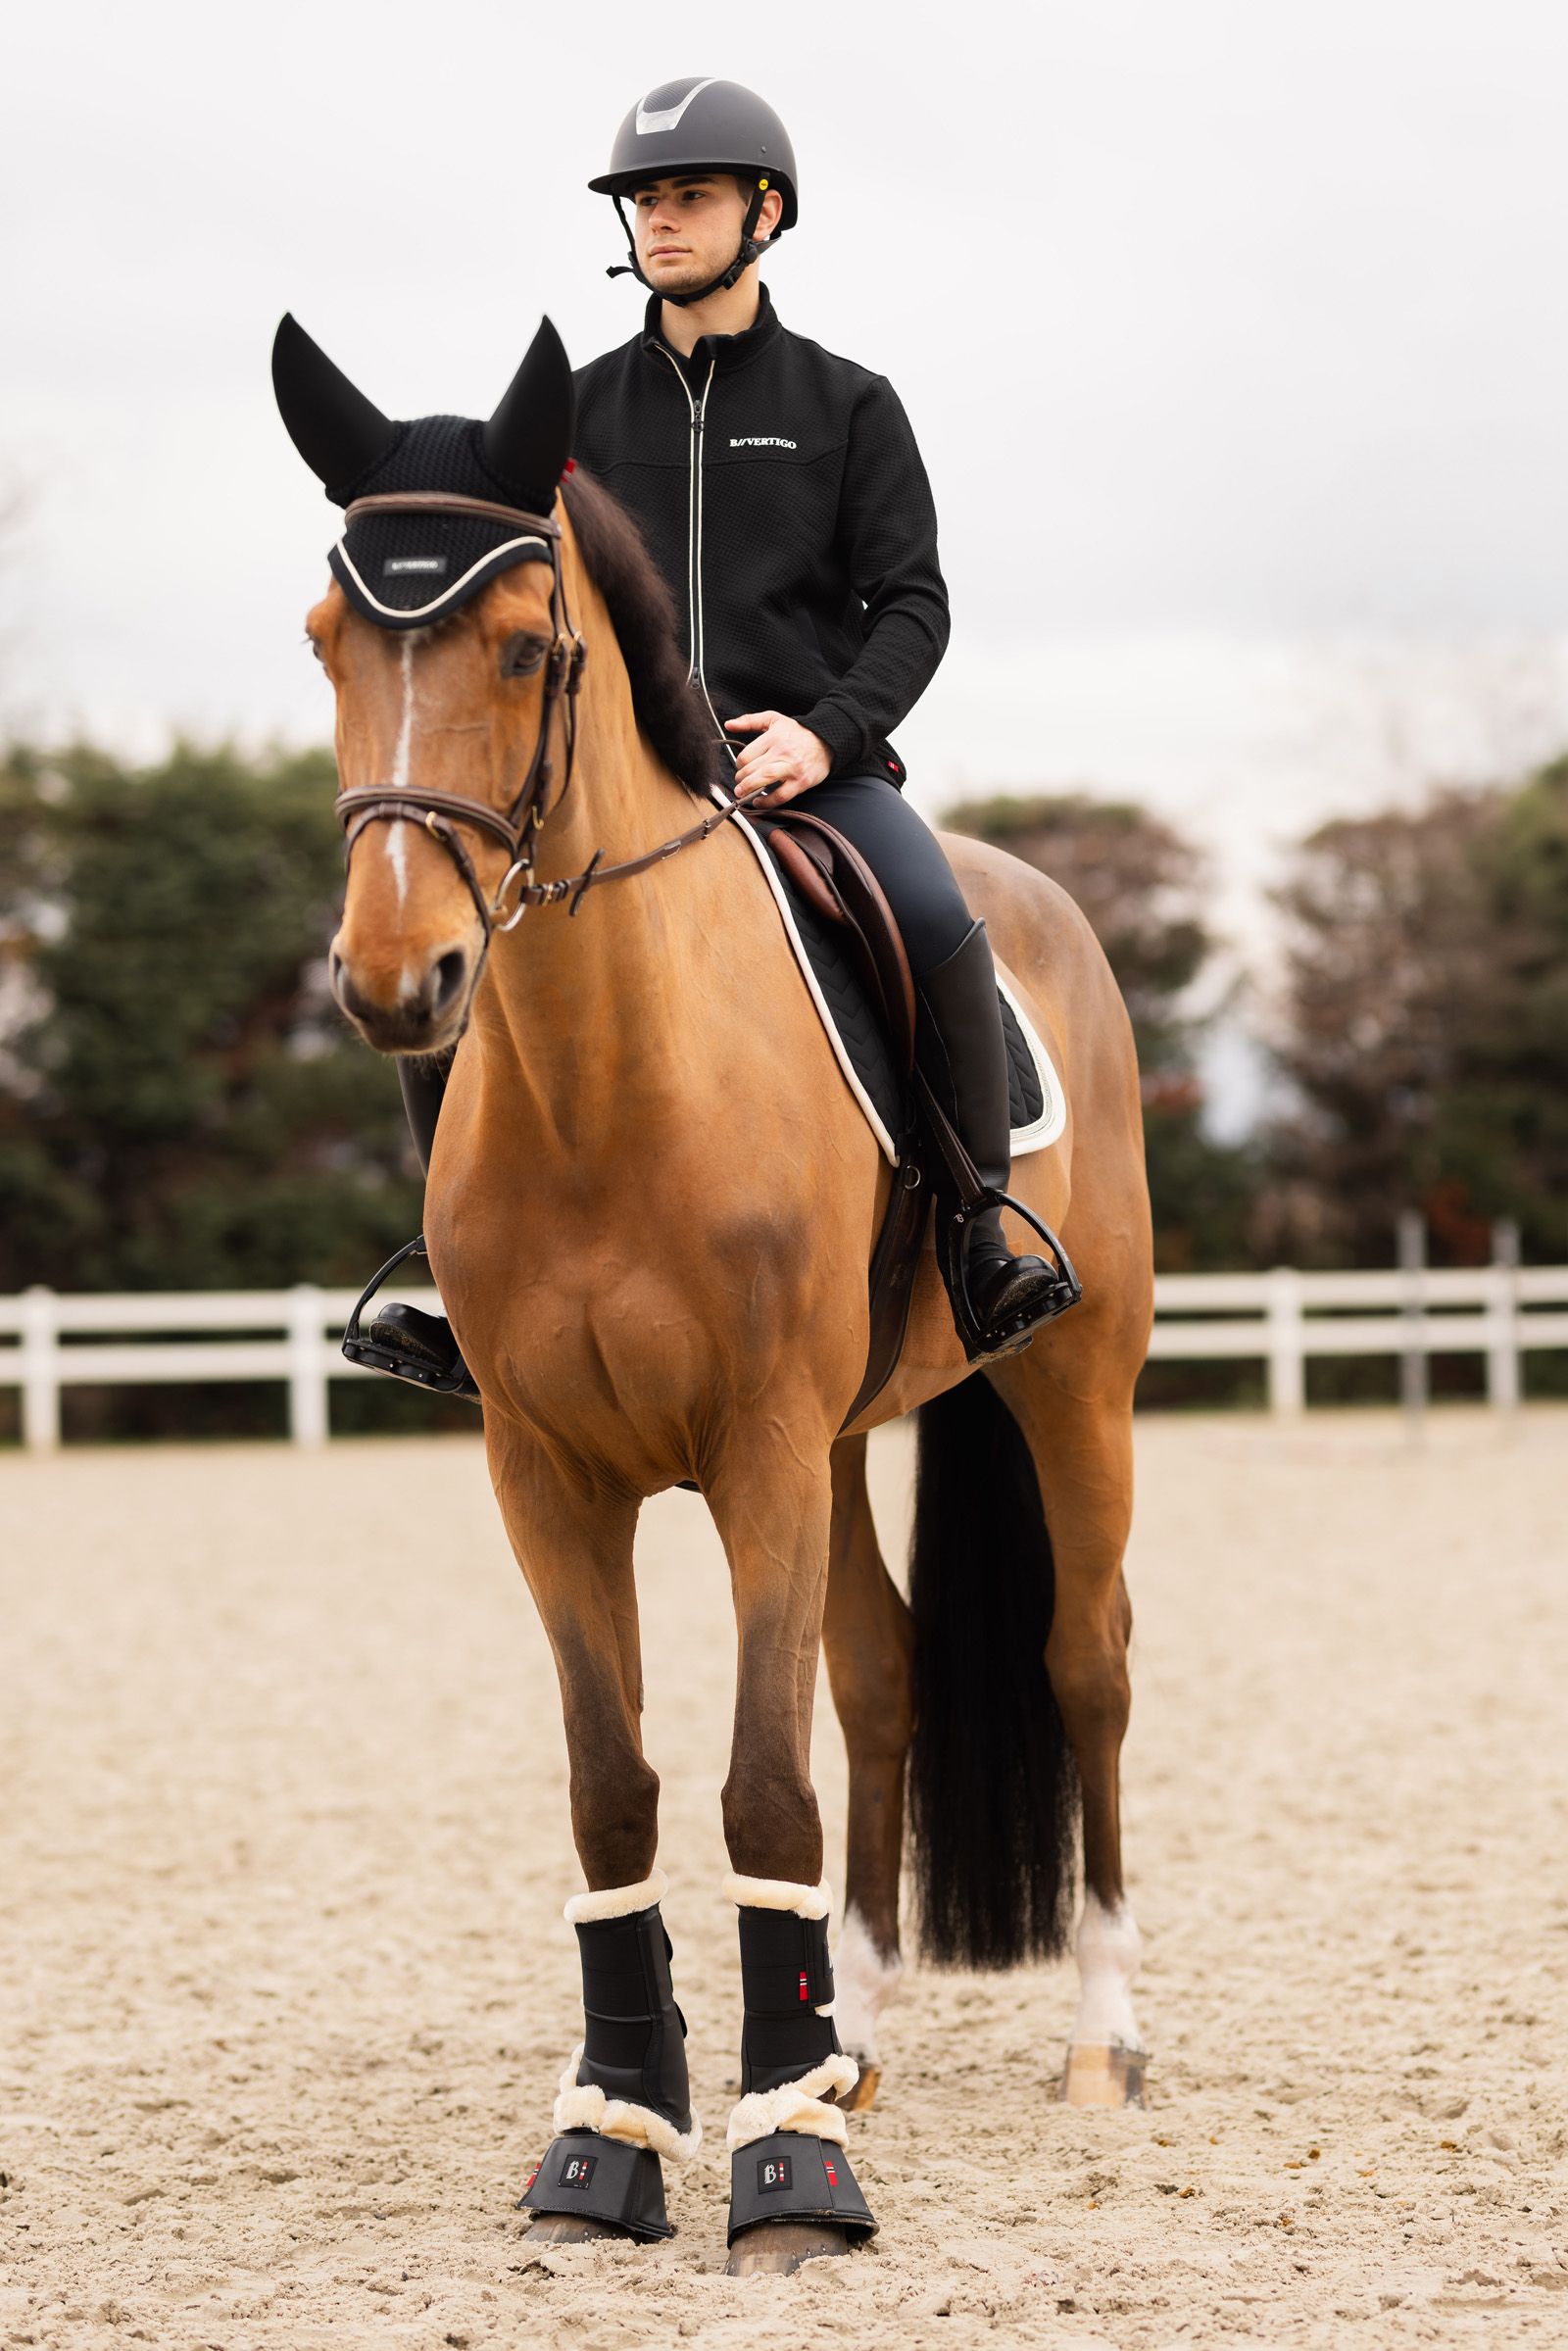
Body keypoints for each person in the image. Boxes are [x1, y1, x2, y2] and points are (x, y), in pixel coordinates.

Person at [373, 77, 1063, 1392]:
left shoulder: (850, 403)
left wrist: (829, 733)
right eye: (645, 199)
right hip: (613, 786)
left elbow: (913, 603)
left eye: (688, 196)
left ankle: (980, 1235)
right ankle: (457, 1270)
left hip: (803, 771)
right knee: (455, 950)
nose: (661, 220)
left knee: (931, 916)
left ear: (766, 212)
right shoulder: (566, 419)